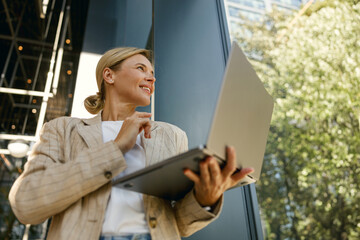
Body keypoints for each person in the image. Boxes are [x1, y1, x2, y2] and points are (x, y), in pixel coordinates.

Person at [9, 47, 254, 240]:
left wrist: (204, 199)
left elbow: (177, 224)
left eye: (152, 73)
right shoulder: (63, 129)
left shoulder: (172, 135)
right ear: (109, 75)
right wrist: (114, 149)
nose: (152, 77)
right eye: (141, 68)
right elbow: (26, 204)